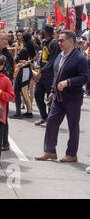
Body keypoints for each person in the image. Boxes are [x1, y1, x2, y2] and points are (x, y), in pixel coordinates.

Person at [35, 31, 89, 163]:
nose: (59, 43)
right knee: (51, 122)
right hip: (58, 98)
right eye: (59, 40)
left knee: (73, 126)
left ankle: (71, 154)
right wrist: (53, 91)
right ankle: (49, 151)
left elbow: (85, 77)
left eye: (62, 40)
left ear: (71, 41)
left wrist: (68, 82)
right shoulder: (60, 55)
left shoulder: (80, 58)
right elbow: (56, 74)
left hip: (73, 98)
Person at [33, 25, 60, 126]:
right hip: (42, 74)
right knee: (37, 94)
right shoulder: (44, 42)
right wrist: (38, 68)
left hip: (51, 75)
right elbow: (41, 58)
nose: (41, 34)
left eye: (43, 32)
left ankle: (50, 119)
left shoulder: (54, 44)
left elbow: (53, 61)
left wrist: (41, 71)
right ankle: (44, 117)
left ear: (48, 32)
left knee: (50, 97)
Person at [11, 33, 37, 119]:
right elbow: (34, 58)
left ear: (23, 39)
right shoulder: (30, 48)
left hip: (23, 71)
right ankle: (28, 111)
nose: (19, 38)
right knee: (24, 91)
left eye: (21, 37)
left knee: (22, 91)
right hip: (27, 70)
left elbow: (16, 59)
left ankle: (25, 112)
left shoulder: (23, 50)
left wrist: (16, 52)